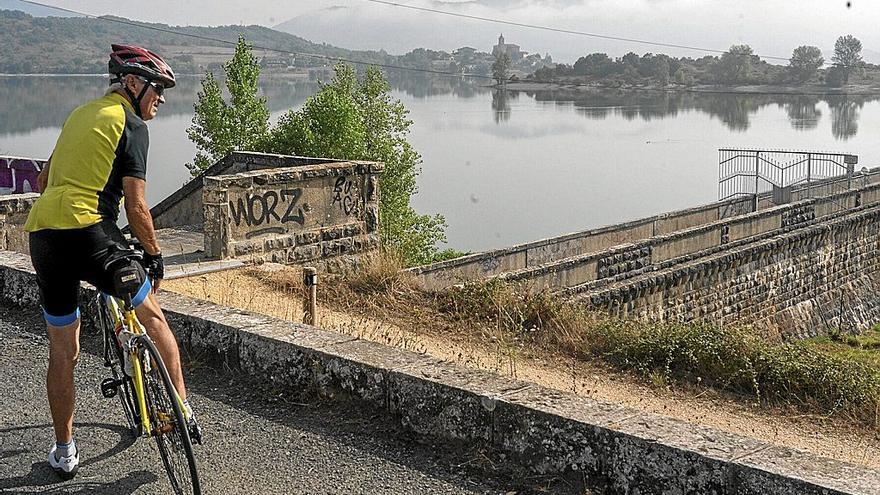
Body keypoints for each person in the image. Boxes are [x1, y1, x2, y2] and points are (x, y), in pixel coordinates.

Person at [25, 44, 201, 481]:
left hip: (43, 235)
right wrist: (156, 258)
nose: (161, 98)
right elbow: (137, 207)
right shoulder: (133, 125)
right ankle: (183, 413)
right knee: (153, 314)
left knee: (63, 351)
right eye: (157, 88)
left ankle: (64, 451)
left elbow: (43, 180)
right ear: (134, 84)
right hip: (91, 234)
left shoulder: (78, 115)